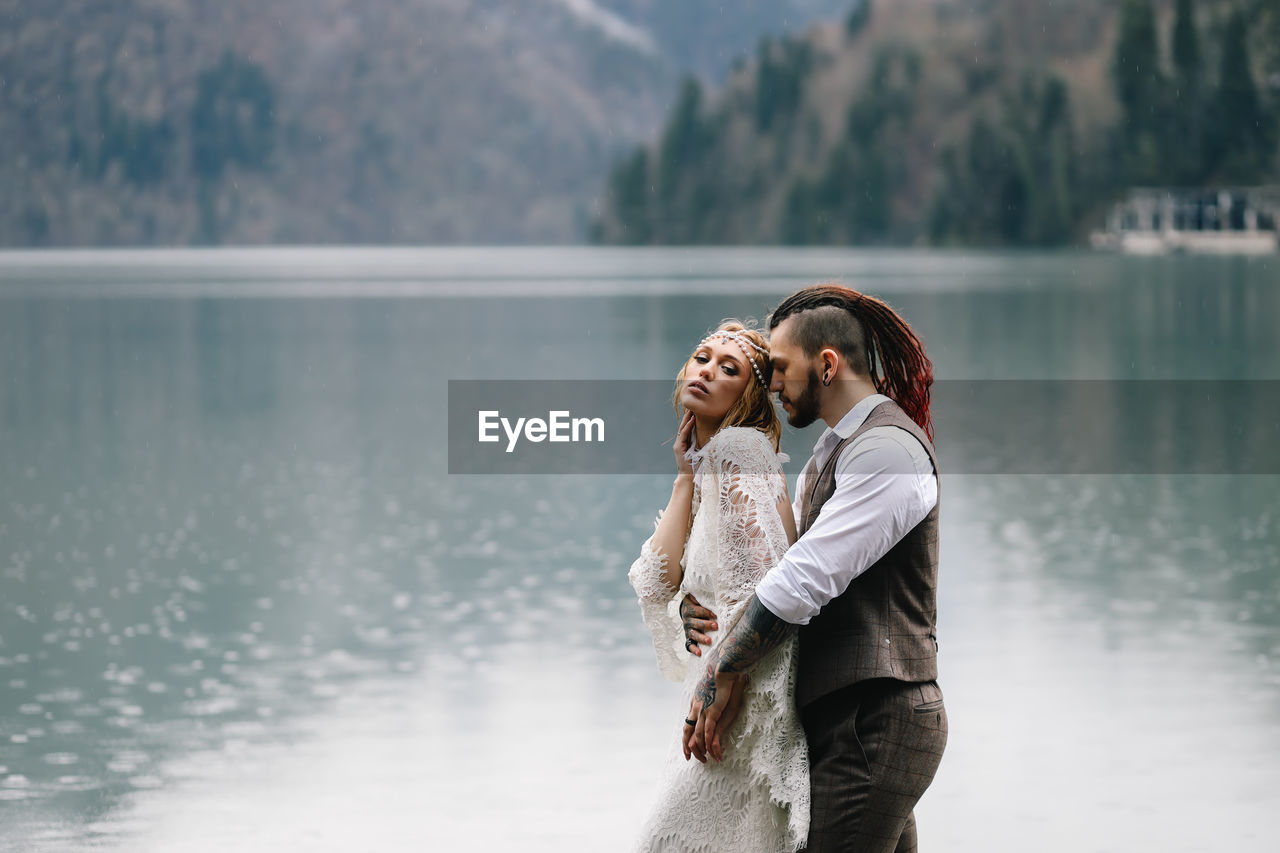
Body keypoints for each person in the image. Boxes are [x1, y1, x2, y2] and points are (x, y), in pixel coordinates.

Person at [682, 284, 947, 853]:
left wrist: (721, 672)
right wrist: (691, 597)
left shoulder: (889, 453)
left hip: (875, 720)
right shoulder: (833, 452)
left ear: (826, 364)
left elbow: (801, 581)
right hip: (849, 721)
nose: (771, 384)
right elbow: (772, 571)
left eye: (779, 368)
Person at [627, 320, 810, 853]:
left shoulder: (738, 452)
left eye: (728, 369)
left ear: (750, 397)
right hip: (723, 688)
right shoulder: (710, 465)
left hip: (740, 695)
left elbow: (764, 585)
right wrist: (684, 476)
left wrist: (720, 684)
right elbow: (655, 584)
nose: (707, 371)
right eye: (702, 357)